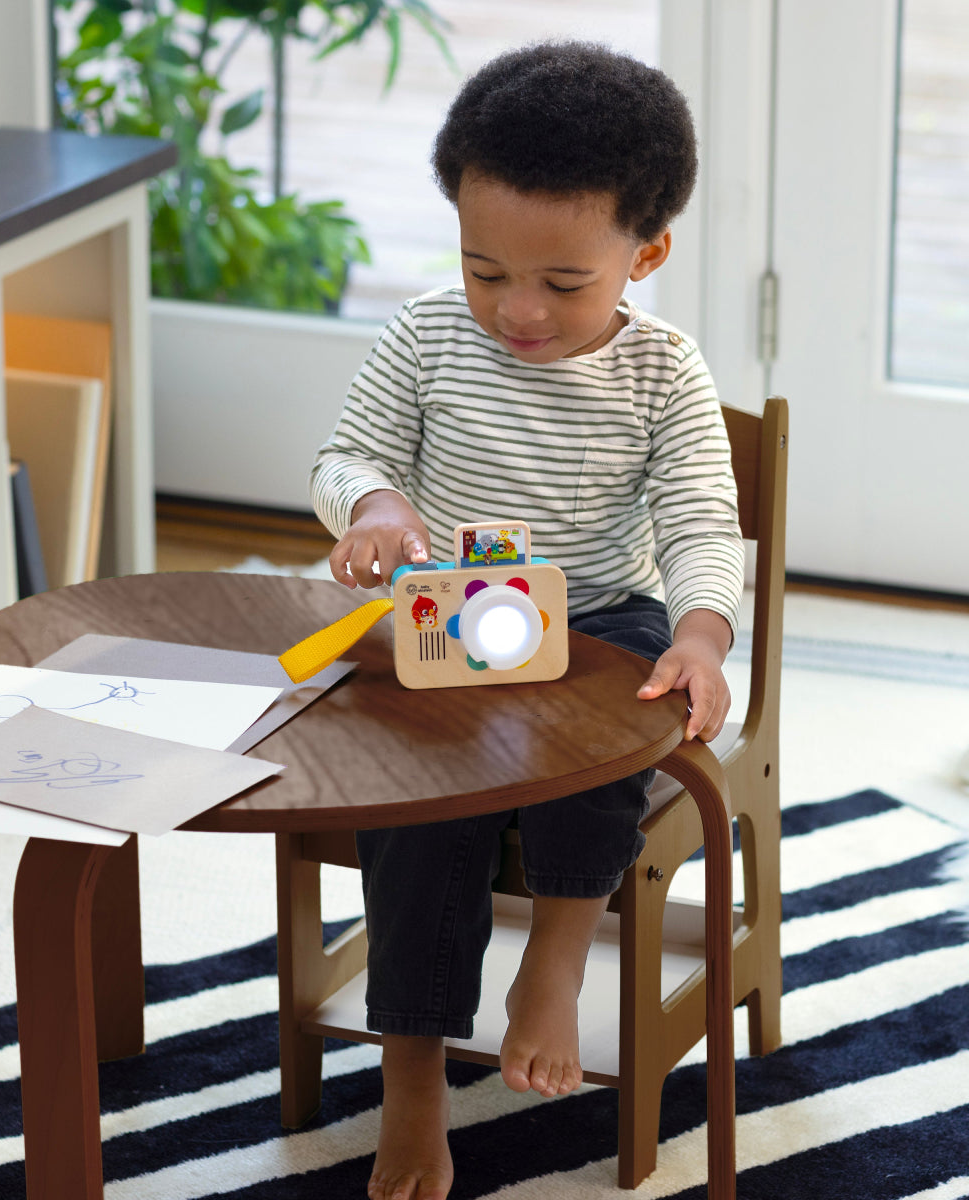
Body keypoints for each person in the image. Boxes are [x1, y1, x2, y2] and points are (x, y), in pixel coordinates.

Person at [309, 40, 744, 1200]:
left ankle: (554, 955)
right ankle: (412, 1077)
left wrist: (702, 632)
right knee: (415, 798)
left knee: (609, 733)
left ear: (644, 254)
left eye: (563, 285)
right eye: (484, 268)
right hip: (448, 615)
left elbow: (703, 519)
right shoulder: (425, 338)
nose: (517, 311)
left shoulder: (663, 372)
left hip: (600, 613)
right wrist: (376, 504)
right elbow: (347, 453)